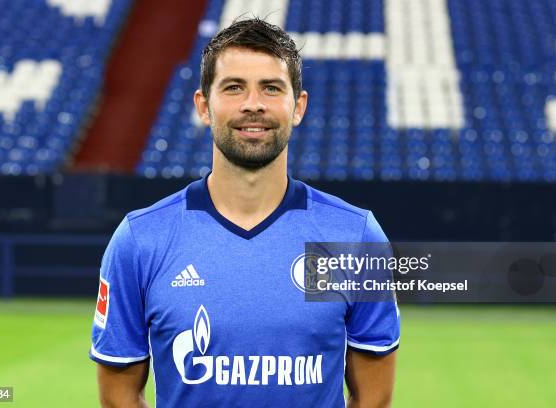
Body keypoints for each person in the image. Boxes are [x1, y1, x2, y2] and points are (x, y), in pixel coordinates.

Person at [90, 18, 399, 408]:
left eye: (271, 88)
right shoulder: (141, 239)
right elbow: (118, 392)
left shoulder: (354, 237)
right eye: (234, 87)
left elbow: (375, 396)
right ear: (204, 106)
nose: (253, 104)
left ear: (298, 106)